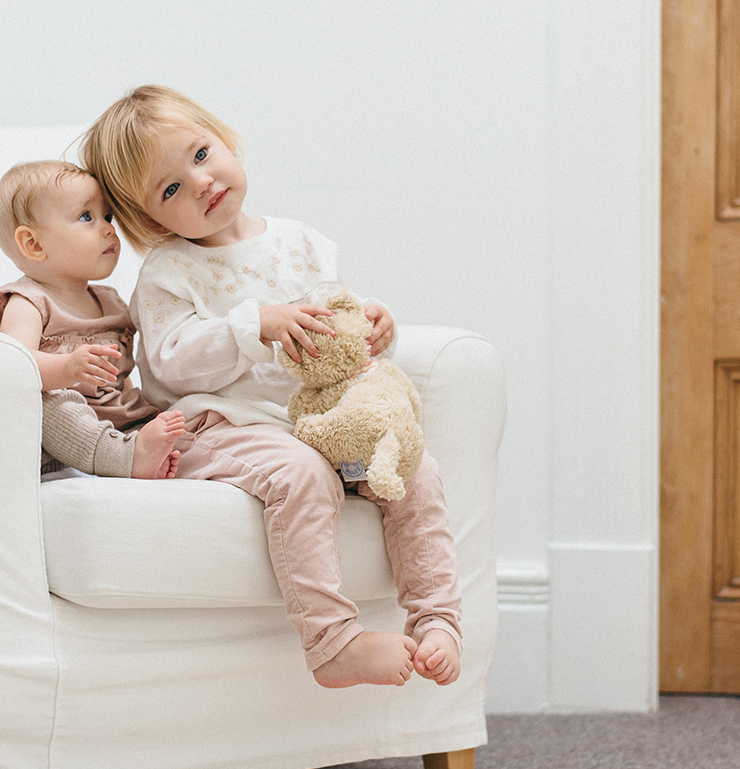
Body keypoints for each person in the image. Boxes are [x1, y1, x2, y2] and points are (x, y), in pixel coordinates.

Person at [80, 86, 461, 688]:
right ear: (154, 220)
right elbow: (171, 364)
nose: (200, 182)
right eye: (171, 188)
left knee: (417, 469)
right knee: (300, 475)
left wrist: (373, 322)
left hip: (320, 422)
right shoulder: (168, 273)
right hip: (222, 424)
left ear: (226, 141)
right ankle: (332, 641)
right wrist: (252, 324)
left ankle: (436, 618)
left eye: (201, 155)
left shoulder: (301, 242)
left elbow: (336, 325)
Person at [0, 160, 184, 480]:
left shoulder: (111, 301)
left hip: (113, 419)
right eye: (87, 217)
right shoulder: (29, 302)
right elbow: (13, 366)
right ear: (33, 244)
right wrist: (67, 369)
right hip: (58, 432)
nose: (108, 228)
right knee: (51, 404)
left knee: (150, 409)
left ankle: (139, 450)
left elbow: (119, 378)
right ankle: (126, 457)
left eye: (108, 216)